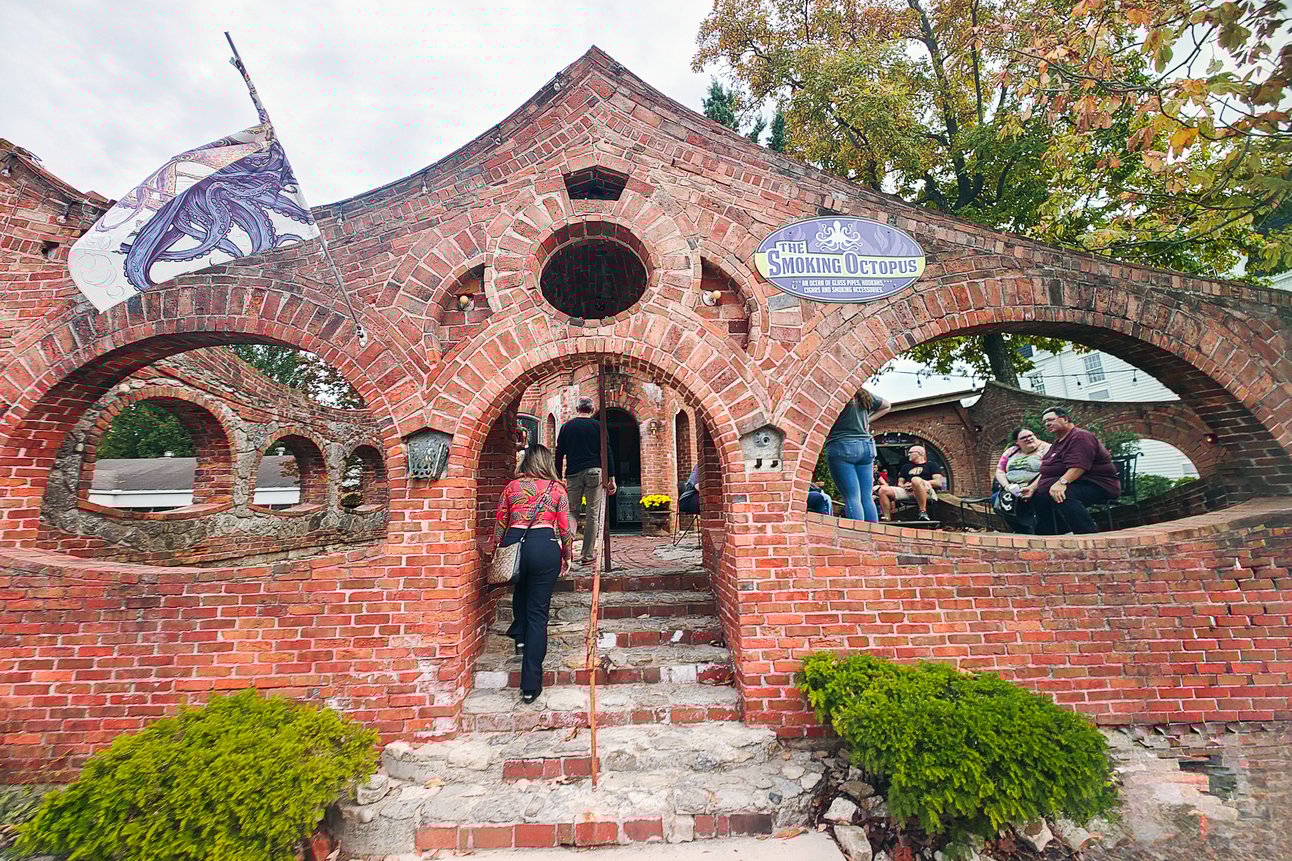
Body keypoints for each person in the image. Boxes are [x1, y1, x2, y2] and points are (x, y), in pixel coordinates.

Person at [490, 445, 573, 703]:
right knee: (538, 613)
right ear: (547, 463)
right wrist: (567, 554)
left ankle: (519, 634)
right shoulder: (557, 489)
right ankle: (530, 686)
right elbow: (564, 527)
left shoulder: (511, 488)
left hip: (515, 538)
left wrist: (498, 549)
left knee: (519, 587)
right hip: (544, 543)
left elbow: (501, 521)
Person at [1020, 406, 1120, 534]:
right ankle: (1057, 535)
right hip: (1075, 483)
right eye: (1045, 422)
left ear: (1065, 419)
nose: (1047, 424)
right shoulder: (1058, 442)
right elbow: (1047, 471)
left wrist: (1062, 483)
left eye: (1051, 420)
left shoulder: (1080, 437)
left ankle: (1088, 535)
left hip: (1097, 485)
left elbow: (1079, 466)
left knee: (1064, 494)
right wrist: (1033, 488)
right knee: (1038, 497)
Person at [554, 397, 616, 565]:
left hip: (573, 473)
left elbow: (559, 453)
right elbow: (607, 451)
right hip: (594, 472)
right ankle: (587, 556)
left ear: (577, 409)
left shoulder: (567, 427)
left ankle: (568, 549)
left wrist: (557, 477)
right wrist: (611, 477)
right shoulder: (598, 427)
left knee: (572, 512)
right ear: (592, 409)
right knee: (592, 515)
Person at [824, 388, 891, 521]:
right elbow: (887, 405)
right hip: (866, 446)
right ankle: (872, 535)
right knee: (866, 497)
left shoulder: (835, 393)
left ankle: (858, 537)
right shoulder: (862, 394)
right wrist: (867, 420)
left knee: (852, 497)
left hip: (842, 446)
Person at [993, 427, 1051, 533]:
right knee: (996, 499)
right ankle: (1021, 530)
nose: (1028, 439)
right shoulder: (1011, 451)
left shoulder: (1046, 449)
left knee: (1039, 499)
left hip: (1037, 487)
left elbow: (1048, 470)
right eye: (1023, 437)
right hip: (1013, 489)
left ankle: (1042, 531)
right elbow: (1000, 470)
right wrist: (1007, 486)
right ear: (1017, 442)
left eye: (1030, 436)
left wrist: (1032, 487)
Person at [877, 445, 945, 522]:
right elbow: (900, 483)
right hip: (908, 491)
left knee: (915, 480)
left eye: (910, 452)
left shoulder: (931, 465)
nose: (908, 454)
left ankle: (923, 512)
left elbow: (938, 482)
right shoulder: (906, 467)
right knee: (883, 490)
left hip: (926, 491)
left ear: (919, 453)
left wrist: (920, 482)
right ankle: (887, 517)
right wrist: (903, 486)